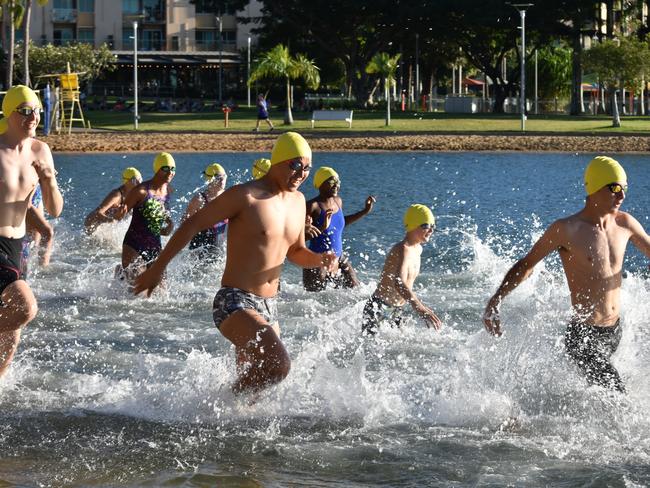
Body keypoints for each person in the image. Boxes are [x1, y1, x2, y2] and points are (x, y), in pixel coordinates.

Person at [134, 132, 336, 395]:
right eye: (295, 165)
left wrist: (320, 259)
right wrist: (158, 269)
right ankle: (223, 402)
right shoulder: (245, 196)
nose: (301, 174)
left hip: (270, 306)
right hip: (235, 302)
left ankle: (218, 418)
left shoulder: (298, 202)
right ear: (277, 161)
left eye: (307, 168)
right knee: (278, 365)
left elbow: (296, 251)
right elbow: (192, 224)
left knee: (254, 387)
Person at [483, 156, 650, 393]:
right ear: (594, 188)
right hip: (583, 337)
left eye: (624, 188)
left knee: (605, 395)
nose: (621, 195)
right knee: (617, 394)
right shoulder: (567, 229)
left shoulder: (626, 224)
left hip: (614, 331)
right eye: (614, 188)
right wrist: (496, 298)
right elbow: (527, 264)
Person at [0, 85, 63, 377]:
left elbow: (54, 209)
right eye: (25, 111)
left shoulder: (41, 150)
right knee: (26, 309)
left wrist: (49, 181)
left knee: (11, 336)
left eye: (36, 110)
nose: (33, 116)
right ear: (9, 114)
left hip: (18, 248)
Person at [362, 204, 442, 335]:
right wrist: (420, 308)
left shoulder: (418, 249)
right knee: (370, 351)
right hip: (379, 307)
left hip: (397, 309)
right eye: (426, 226)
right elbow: (399, 282)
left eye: (433, 226)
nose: (431, 230)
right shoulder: (402, 249)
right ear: (413, 225)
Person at [304, 166, 376, 291]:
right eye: (332, 182)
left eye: (338, 182)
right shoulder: (312, 206)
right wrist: (322, 227)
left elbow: (340, 224)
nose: (336, 185)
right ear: (321, 184)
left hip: (338, 257)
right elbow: (300, 238)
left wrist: (364, 211)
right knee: (314, 300)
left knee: (355, 289)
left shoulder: (338, 201)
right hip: (316, 260)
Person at [119, 153, 174, 280]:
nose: (170, 172)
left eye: (173, 169)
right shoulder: (140, 191)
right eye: (165, 168)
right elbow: (120, 215)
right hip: (134, 245)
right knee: (136, 290)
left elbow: (163, 216)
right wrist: (119, 212)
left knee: (161, 291)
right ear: (157, 169)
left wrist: (170, 224)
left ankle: (121, 273)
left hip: (155, 246)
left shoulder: (168, 191)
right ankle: (122, 273)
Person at [184, 163, 228, 259]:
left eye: (224, 176)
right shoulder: (199, 199)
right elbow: (184, 223)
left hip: (220, 249)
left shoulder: (228, 197)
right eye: (218, 177)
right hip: (200, 248)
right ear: (210, 179)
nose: (222, 180)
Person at [84, 167, 142, 235]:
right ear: (127, 181)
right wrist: (113, 221)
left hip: (103, 225)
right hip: (92, 225)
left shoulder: (132, 195)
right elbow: (98, 213)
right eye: (135, 181)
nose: (139, 183)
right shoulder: (116, 196)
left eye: (140, 180)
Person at [21, 185, 54, 277]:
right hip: (22, 192)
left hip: (35, 189)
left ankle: (40, 273)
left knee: (35, 238)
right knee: (46, 232)